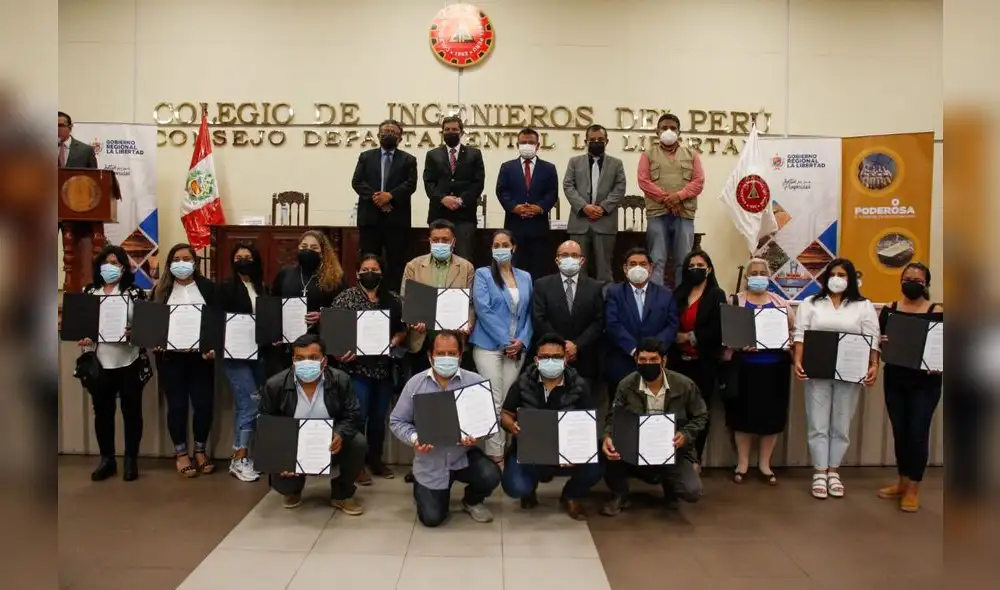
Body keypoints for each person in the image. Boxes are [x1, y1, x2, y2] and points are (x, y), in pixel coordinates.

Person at [389, 331, 501, 527]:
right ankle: (427, 492)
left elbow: (491, 424)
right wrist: (415, 438)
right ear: (430, 356)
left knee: (490, 474)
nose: (446, 358)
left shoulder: (474, 382)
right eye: (441, 353)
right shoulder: (416, 384)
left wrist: (478, 435)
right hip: (431, 463)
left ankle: (472, 500)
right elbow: (397, 421)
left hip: (462, 456)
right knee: (432, 519)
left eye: (452, 353)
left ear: (460, 355)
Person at [793, 258, 880, 499]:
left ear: (851, 278)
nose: (837, 278)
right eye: (833, 273)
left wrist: (874, 364)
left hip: (850, 372)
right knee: (818, 423)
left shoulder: (863, 305)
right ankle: (819, 471)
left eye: (843, 274)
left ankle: (834, 471)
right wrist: (798, 361)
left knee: (841, 424)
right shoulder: (810, 303)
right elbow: (800, 334)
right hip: (817, 370)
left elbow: (873, 337)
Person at [258, 334, 367, 514]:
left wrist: (340, 433)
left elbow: (352, 414)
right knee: (284, 485)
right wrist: (281, 457)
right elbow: (266, 423)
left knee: (358, 443)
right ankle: (293, 489)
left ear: (324, 360)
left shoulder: (341, 380)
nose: (306, 363)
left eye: (313, 358)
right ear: (293, 360)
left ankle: (342, 494)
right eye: (300, 358)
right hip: (292, 443)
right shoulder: (275, 384)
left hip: (331, 441)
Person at [499, 333, 603, 520]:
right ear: (536, 360)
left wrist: (577, 451)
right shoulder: (522, 383)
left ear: (565, 359)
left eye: (556, 357)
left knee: (595, 466)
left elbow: (588, 423)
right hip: (529, 452)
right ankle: (528, 490)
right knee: (515, 487)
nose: (551, 361)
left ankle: (571, 495)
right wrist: (512, 426)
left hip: (566, 452)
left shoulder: (579, 385)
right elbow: (505, 414)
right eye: (545, 357)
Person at [600, 338, 707, 516]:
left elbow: (701, 415)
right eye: (643, 360)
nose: (647, 364)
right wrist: (607, 436)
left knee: (692, 491)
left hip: (673, 450)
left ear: (663, 361)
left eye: (653, 360)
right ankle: (620, 494)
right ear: (636, 360)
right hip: (634, 449)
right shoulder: (626, 385)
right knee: (604, 447)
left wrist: (686, 434)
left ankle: (670, 489)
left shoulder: (684, 385)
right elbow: (613, 417)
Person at [332, 254, 407, 484]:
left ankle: (375, 459)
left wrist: (395, 340)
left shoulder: (392, 299)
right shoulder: (346, 298)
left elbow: (403, 330)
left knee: (377, 419)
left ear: (382, 274)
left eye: (374, 269)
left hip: (383, 369)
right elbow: (333, 330)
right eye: (365, 269)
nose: (370, 273)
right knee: (358, 417)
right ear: (357, 273)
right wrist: (339, 350)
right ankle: (356, 464)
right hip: (357, 370)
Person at [78, 245, 148, 481]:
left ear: (124, 267)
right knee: (103, 413)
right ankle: (107, 459)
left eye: (116, 263)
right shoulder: (89, 291)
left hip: (128, 360)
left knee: (132, 413)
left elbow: (147, 328)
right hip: (99, 363)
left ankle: (130, 459)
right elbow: (82, 324)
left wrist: (135, 332)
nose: (110, 267)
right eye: (106, 262)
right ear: (99, 266)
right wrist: (85, 335)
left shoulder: (135, 293)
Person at [877, 262, 942, 512]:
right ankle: (902, 481)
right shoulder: (889, 310)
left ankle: (914, 488)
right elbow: (879, 344)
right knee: (900, 430)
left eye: (917, 279)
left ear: (926, 283)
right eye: (907, 278)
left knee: (917, 432)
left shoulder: (938, 311)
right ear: (900, 281)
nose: (912, 282)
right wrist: (883, 343)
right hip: (895, 378)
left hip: (926, 382)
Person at [723, 258, 794, 485]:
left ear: (769, 276)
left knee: (771, 417)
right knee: (742, 416)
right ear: (747, 277)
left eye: (762, 272)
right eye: (753, 272)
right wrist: (738, 343)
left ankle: (765, 463)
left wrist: (787, 341)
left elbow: (794, 333)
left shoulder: (780, 303)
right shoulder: (735, 301)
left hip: (775, 368)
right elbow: (726, 336)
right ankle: (742, 463)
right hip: (744, 368)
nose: (758, 276)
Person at [152, 243, 218, 478]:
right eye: (176, 259)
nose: (182, 263)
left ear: (195, 262)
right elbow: (153, 325)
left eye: (186, 258)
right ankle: (181, 454)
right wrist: (155, 341)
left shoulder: (208, 288)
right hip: (171, 359)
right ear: (169, 264)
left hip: (201, 358)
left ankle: (200, 450)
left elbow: (216, 322)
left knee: (203, 405)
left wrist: (213, 348)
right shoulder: (160, 291)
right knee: (177, 406)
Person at [470, 229, 533, 464]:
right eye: (496, 245)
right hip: (488, 345)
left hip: (517, 347)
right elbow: (483, 310)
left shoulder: (525, 276)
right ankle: (495, 456)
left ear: (513, 247)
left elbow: (529, 314)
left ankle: (507, 452)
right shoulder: (483, 274)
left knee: (508, 402)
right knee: (493, 399)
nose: (500, 248)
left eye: (505, 244)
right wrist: (506, 342)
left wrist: (522, 340)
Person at [667, 250, 726, 471]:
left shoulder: (716, 294)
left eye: (700, 265)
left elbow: (717, 328)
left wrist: (689, 336)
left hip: (703, 363)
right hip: (677, 363)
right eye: (691, 265)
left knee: (699, 412)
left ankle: (695, 458)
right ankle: (674, 457)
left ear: (709, 268)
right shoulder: (678, 293)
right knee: (675, 411)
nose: (696, 268)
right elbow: (669, 320)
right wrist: (675, 337)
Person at [217, 243, 267, 483]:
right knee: (249, 404)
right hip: (235, 355)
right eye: (238, 257)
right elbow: (215, 320)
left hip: (259, 353)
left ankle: (244, 457)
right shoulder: (225, 288)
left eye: (248, 256)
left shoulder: (262, 288)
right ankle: (240, 458)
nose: (243, 260)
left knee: (250, 405)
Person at [637, 113, 705, 286]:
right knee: (657, 260)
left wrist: (678, 197)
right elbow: (643, 181)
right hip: (657, 214)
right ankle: (657, 304)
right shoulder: (648, 155)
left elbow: (698, 182)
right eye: (664, 128)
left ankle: (683, 304)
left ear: (679, 132)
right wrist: (666, 199)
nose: (669, 131)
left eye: (673, 128)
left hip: (684, 215)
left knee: (684, 262)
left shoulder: (692, 155)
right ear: (657, 131)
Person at [400, 219, 476, 373]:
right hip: (422, 338)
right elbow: (405, 300)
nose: (440, 243)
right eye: (435, 240)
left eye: (445, 240)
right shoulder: (413, 266)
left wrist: (468, 323)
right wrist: (413, 321)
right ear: (429, 241)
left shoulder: (466, 267)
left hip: (454, 337)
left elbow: (471, 303)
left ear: (453, 241)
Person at [351, 119, 418, 292]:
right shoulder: (366, 156)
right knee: (368, 260)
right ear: (378, 135)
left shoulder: (409, 160)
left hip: (396, 220)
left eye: (394, 132)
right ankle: (366, 295)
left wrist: (390, 196)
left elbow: (410, 185)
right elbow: (357, 182)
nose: (389, 134)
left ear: (400, 138)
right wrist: (378, 199)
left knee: (396, 261)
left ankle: (394, 297)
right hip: (370, 220)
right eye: (386, 131)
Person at [532, 240, 605, 396]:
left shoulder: (595, 287)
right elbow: (539, 318)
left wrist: (577, 345)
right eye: (565, 255)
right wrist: (561, 345)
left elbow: (598, 321)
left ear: (582, 260)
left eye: (574, 255)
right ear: (557, 259)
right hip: (552, 358)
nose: (569, 258)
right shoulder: (542, 285)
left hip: (585, 359)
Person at [271, 230, 348, 371]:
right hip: (289, 345)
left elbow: (344, 311)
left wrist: (322, 316)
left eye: (314, 248)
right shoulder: (285, 274)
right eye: (304, 246)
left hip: (322, 345)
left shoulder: (335, 278)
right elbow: (273, 306)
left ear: (322, 252)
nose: (308, 250)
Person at [604, 247, 679, 389]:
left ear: (650, 268)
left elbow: (672, 325)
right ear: (625, 268)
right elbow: (612, 323)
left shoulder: (666, 294)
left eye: (643, 264)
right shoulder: (614, 293)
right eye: (632, 264)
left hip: (656, 363)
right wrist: (634, 350)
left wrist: (654, 351)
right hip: (623, 361)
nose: (637, 267)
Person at [563, 124, 626, 282]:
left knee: (604, 270)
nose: (596, 142)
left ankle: (606, 304)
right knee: (577, 268)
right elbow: (568, 186)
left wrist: (603, 208)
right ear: (586, 141)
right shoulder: (574, 162)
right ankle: (579, 305)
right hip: (579, 223)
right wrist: (584, 207)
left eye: (600, 139)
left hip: (605, 223)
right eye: (592, 140)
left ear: (607, 141)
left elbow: (620, 187)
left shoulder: (616, 163)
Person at [496, 127, 559, 280]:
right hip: (514, 226)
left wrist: (540, 208)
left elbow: (552, 193)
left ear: (538, 145)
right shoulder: (507, 167)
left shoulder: (549, 168)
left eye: (531, 142)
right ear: (517, 145)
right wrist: (514, 207)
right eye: (523, 142)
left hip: (539, 228)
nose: (527, 145)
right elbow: (501, 191)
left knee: (538, 269)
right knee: (513, 267)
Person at [423, 116, 485, 260]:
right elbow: (429, 182)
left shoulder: (474, 154)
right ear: (442, 132)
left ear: (462, 132)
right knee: (437, 258)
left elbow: (478, 182)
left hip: (464, 216)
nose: (451, 132)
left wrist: (461, 200)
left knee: (464, 258)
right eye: (447, 130)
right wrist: (443, 198)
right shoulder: (432, 155)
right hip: (438, 213)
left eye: (454, 130)